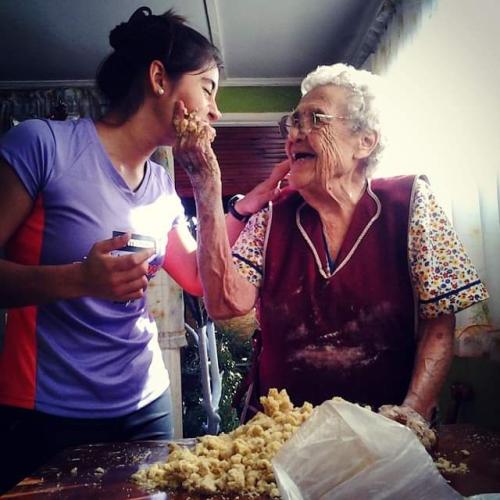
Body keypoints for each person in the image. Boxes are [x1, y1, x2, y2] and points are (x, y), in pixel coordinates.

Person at [0, 6, 285, 493]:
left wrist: (239, 204)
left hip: (147, 404)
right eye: (208, 88)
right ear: (159, 78)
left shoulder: (160, 185)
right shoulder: (42, 146)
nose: (215, 111)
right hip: (46, 411)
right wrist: (78, 279)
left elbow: (197, 278)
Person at [175, 63, 489, 435]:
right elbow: (226, 304)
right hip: (280, 431)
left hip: (383, 432)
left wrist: (412, 413)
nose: (294, 135)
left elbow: (440, 321)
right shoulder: (272, 213)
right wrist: (206, 185)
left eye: (314, 119)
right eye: (293, 122)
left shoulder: (410, 202)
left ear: (364, 142)